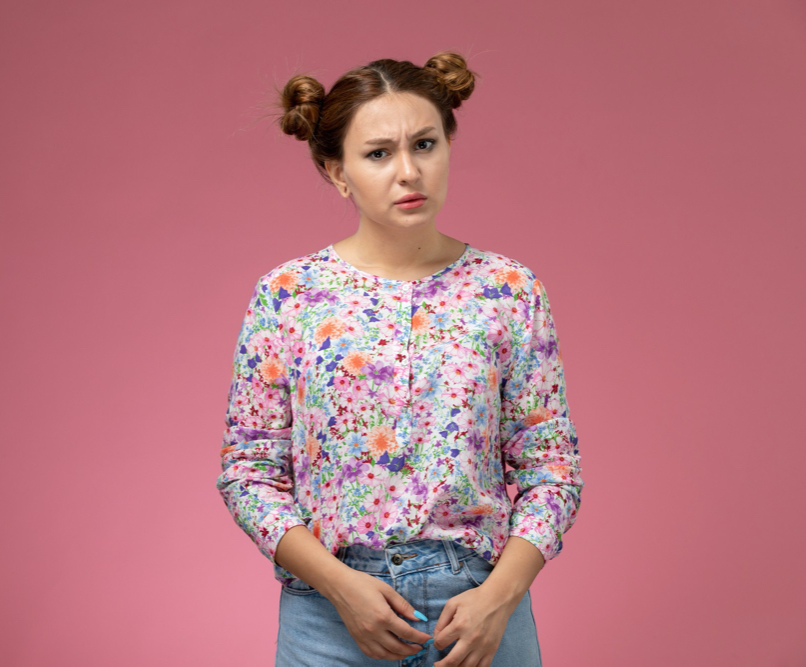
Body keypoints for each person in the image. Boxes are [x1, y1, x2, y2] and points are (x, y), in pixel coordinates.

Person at [216, 51, 584, 667]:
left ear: (448, 147)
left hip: (480, 613)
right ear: (337, 172)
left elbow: (552, 467)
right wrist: (341, 586)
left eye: (425, 144)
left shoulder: (509, 289)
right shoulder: (288, 294)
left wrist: (500, 596)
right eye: (379, 153)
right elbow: (248, 472)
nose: (408, 171)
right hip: (330, 616)